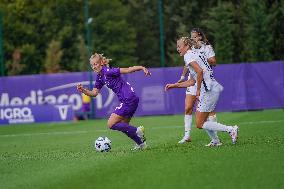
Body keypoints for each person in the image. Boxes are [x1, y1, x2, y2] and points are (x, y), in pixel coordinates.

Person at [165, 37, 239, 145]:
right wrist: (175, 85)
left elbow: (199, 72)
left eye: (179, 46)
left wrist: (198, 90)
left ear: (186, 45)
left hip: (208, 90)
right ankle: (216, 141)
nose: (177, 49)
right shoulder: (194, 54)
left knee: (200, 123)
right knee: (202, 121)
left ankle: (231, 129)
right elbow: (191, 81)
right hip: (211, 88)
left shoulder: (188, 55)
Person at [77, 53, 151, 150]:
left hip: (128, 99)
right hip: (130, 99)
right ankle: (142, 144)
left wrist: (142, 67)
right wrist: (83, 90)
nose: (94, 66)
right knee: (124, 126)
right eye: (92, 65)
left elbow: (127, 70)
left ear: (101, 63)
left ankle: (138, 130)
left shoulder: (108, 71)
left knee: (111, 124)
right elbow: (94, 93)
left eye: (96, 64)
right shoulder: (100, 77)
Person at [176, 28, 220, 146]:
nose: (193, 39)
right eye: (191, 37)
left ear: (200, 37)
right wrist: (182, 76)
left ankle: (215, 138)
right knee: (188, 107)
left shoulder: (206, 48)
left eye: (195, 36)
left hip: (204, 80)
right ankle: (187, 136)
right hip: (193, 80)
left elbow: (213, 62)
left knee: (208, 112)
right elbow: (188, 64)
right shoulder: (190, 49)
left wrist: (201, 58)